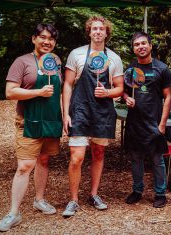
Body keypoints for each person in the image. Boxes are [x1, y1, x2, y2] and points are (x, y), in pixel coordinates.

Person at [0, 23, 62, 232]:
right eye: (42, 37)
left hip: (50, 120)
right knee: (25, 166)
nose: (46, 41)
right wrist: (38, 92)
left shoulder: (56, 61)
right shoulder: (21, 61)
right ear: (33, 38)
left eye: (51, 38)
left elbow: (60, 90)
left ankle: (39, 200)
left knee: (43, 160)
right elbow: (10, 92)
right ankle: (13, 213)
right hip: (27, 121)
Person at [62, 16, 124, 217]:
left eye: (102, 29)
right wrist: (65, 114)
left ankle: (94, 194)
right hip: (79, 110)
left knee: (98, 154)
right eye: (94, 28)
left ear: (107, 33)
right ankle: (73, 200)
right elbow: (68, 85)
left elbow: (120, 88)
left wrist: (107, 93)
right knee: (76, 158)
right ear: (89, 32)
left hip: (103, 112)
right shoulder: (76, 54)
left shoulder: (114, 58)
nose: (98, 31)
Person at [123, 32, 171, 208]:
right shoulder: (130, 69)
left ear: (151, 46)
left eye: (144, 43)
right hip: (134, 123)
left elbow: (168, 97)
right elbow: (123, 90)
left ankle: (160, 193)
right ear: (134, 48)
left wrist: (162, 124)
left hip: (154, 123)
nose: (141, 47)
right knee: (136, 158)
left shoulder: (162, 68)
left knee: (157, 160)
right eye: (137, 44)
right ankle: (137, 190)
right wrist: (126, 98)